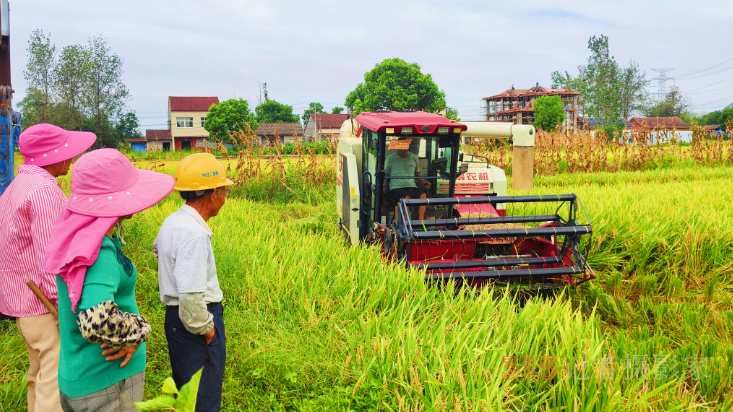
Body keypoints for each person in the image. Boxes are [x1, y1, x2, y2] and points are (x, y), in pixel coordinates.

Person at [43, 149, 174, 412]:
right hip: (107, 382)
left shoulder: (76, 235)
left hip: (80, 371)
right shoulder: (97, 251)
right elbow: (97, 320)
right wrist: (140, 330)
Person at [0, 123, 96, 412]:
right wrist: (65, 305)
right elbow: (51, 257)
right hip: (44, 305)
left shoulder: (17, 186)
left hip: (23, 303)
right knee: (54, 382)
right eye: (67, 153)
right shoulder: (43, 192)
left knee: (38, 374)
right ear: (52, 155)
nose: (71, 158)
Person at [154, 153, 234, 412]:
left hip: (176, 322)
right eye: (224, 190)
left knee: (188, 398)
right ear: (214, 194)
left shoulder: (173, 222)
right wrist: (208, 331)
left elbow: (158, 252)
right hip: (194, 325)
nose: (225, 197)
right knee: (203, 402)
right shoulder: (194, 234)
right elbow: (190, 298)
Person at [384, 141, 431, 220]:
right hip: (396, 187)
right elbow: (385, 174)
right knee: (406, 198)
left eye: (405, 150)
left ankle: (421, 222)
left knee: (423, 195)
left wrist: (424, 183)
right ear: (397, 148)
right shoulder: (390, 158)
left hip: (411, 186)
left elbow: (416, 174)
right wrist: (384, 185)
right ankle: (405, 226)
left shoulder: (414, 157)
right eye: (401, 151)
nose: (403, 153)